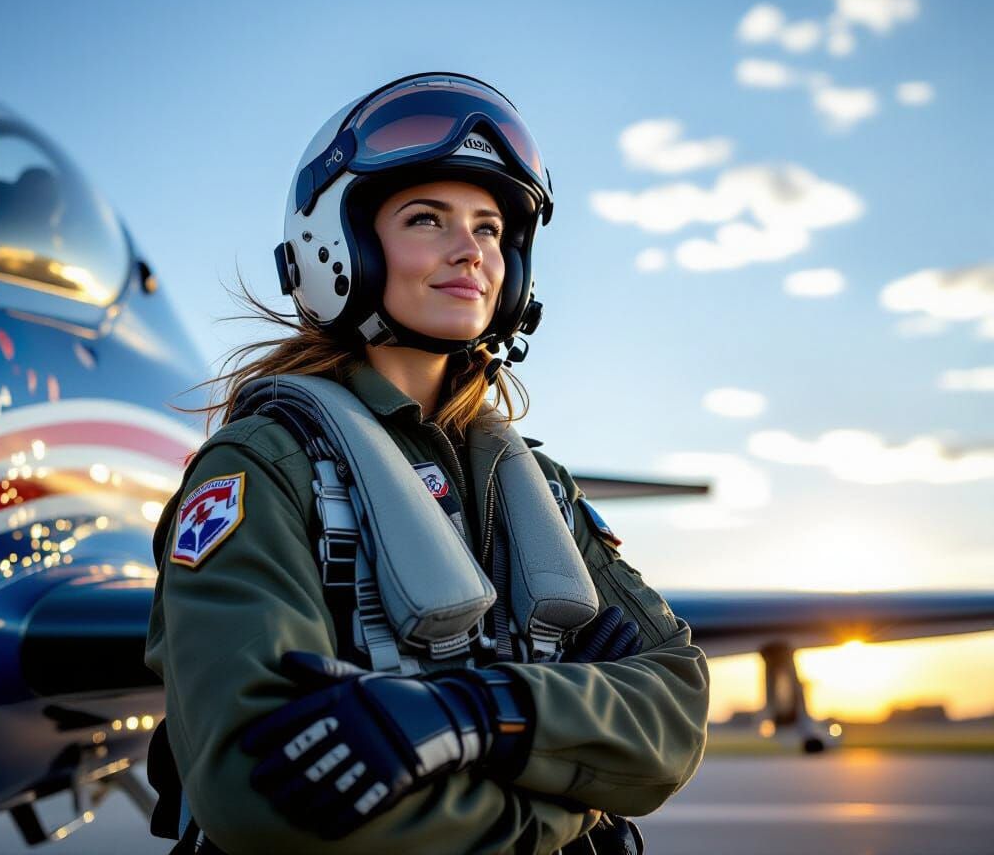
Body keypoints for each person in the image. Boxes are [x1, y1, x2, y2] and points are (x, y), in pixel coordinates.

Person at [145, 73, 709, 855]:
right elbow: (260, 787)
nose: (469, 252)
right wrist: (566, 808)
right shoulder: (265, 468)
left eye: (488, 228)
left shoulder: (538, 488)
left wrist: (473, 717)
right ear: (341, 248)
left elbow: (675, 708)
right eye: (426, 219)